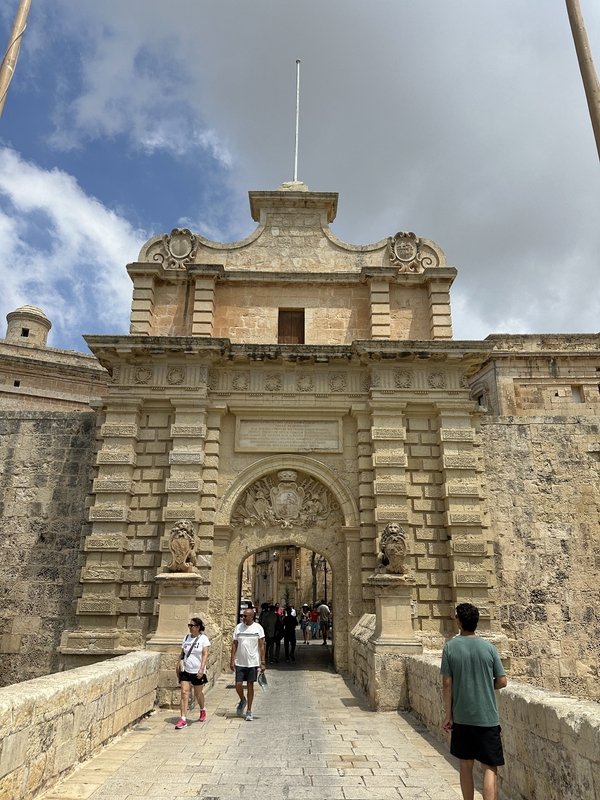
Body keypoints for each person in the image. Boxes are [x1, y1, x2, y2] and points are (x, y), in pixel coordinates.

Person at [441, 603, 507, 800]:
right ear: (476, 622)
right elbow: (502, 681)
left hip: (461, 716)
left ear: (459, 622)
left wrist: (448, 715)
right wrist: (486, 685)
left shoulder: (450, 647)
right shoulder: (489, 648)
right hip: (487, 717)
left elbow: (446, 684)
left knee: (465, 764)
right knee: (489, 767)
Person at [230, 607, 266, 722]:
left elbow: (261, 646)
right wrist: (232, 660)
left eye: (245, 616)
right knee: (238, 684)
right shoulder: (238, 628)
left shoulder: (258, 628)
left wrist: (262, 662)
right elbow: (234, 644)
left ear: (251, 616)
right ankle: (242, 700)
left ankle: (249, 710)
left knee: (250, 686)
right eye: (242, 615)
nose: (243, 618)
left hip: (253, 662)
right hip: (240, 661)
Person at [175, 617, 210, 729]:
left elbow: (205, 654)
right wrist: (177, 665)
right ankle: (183, 718)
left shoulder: (203, 639)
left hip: (197, 670)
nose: (190, 628)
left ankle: (202, 709)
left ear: (198, 627)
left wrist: (201, 669)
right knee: (184, 693)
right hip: (186, 669)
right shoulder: (186, 638)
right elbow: (182, 653)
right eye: (189, 625)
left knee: (197, 693)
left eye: (192, 625)